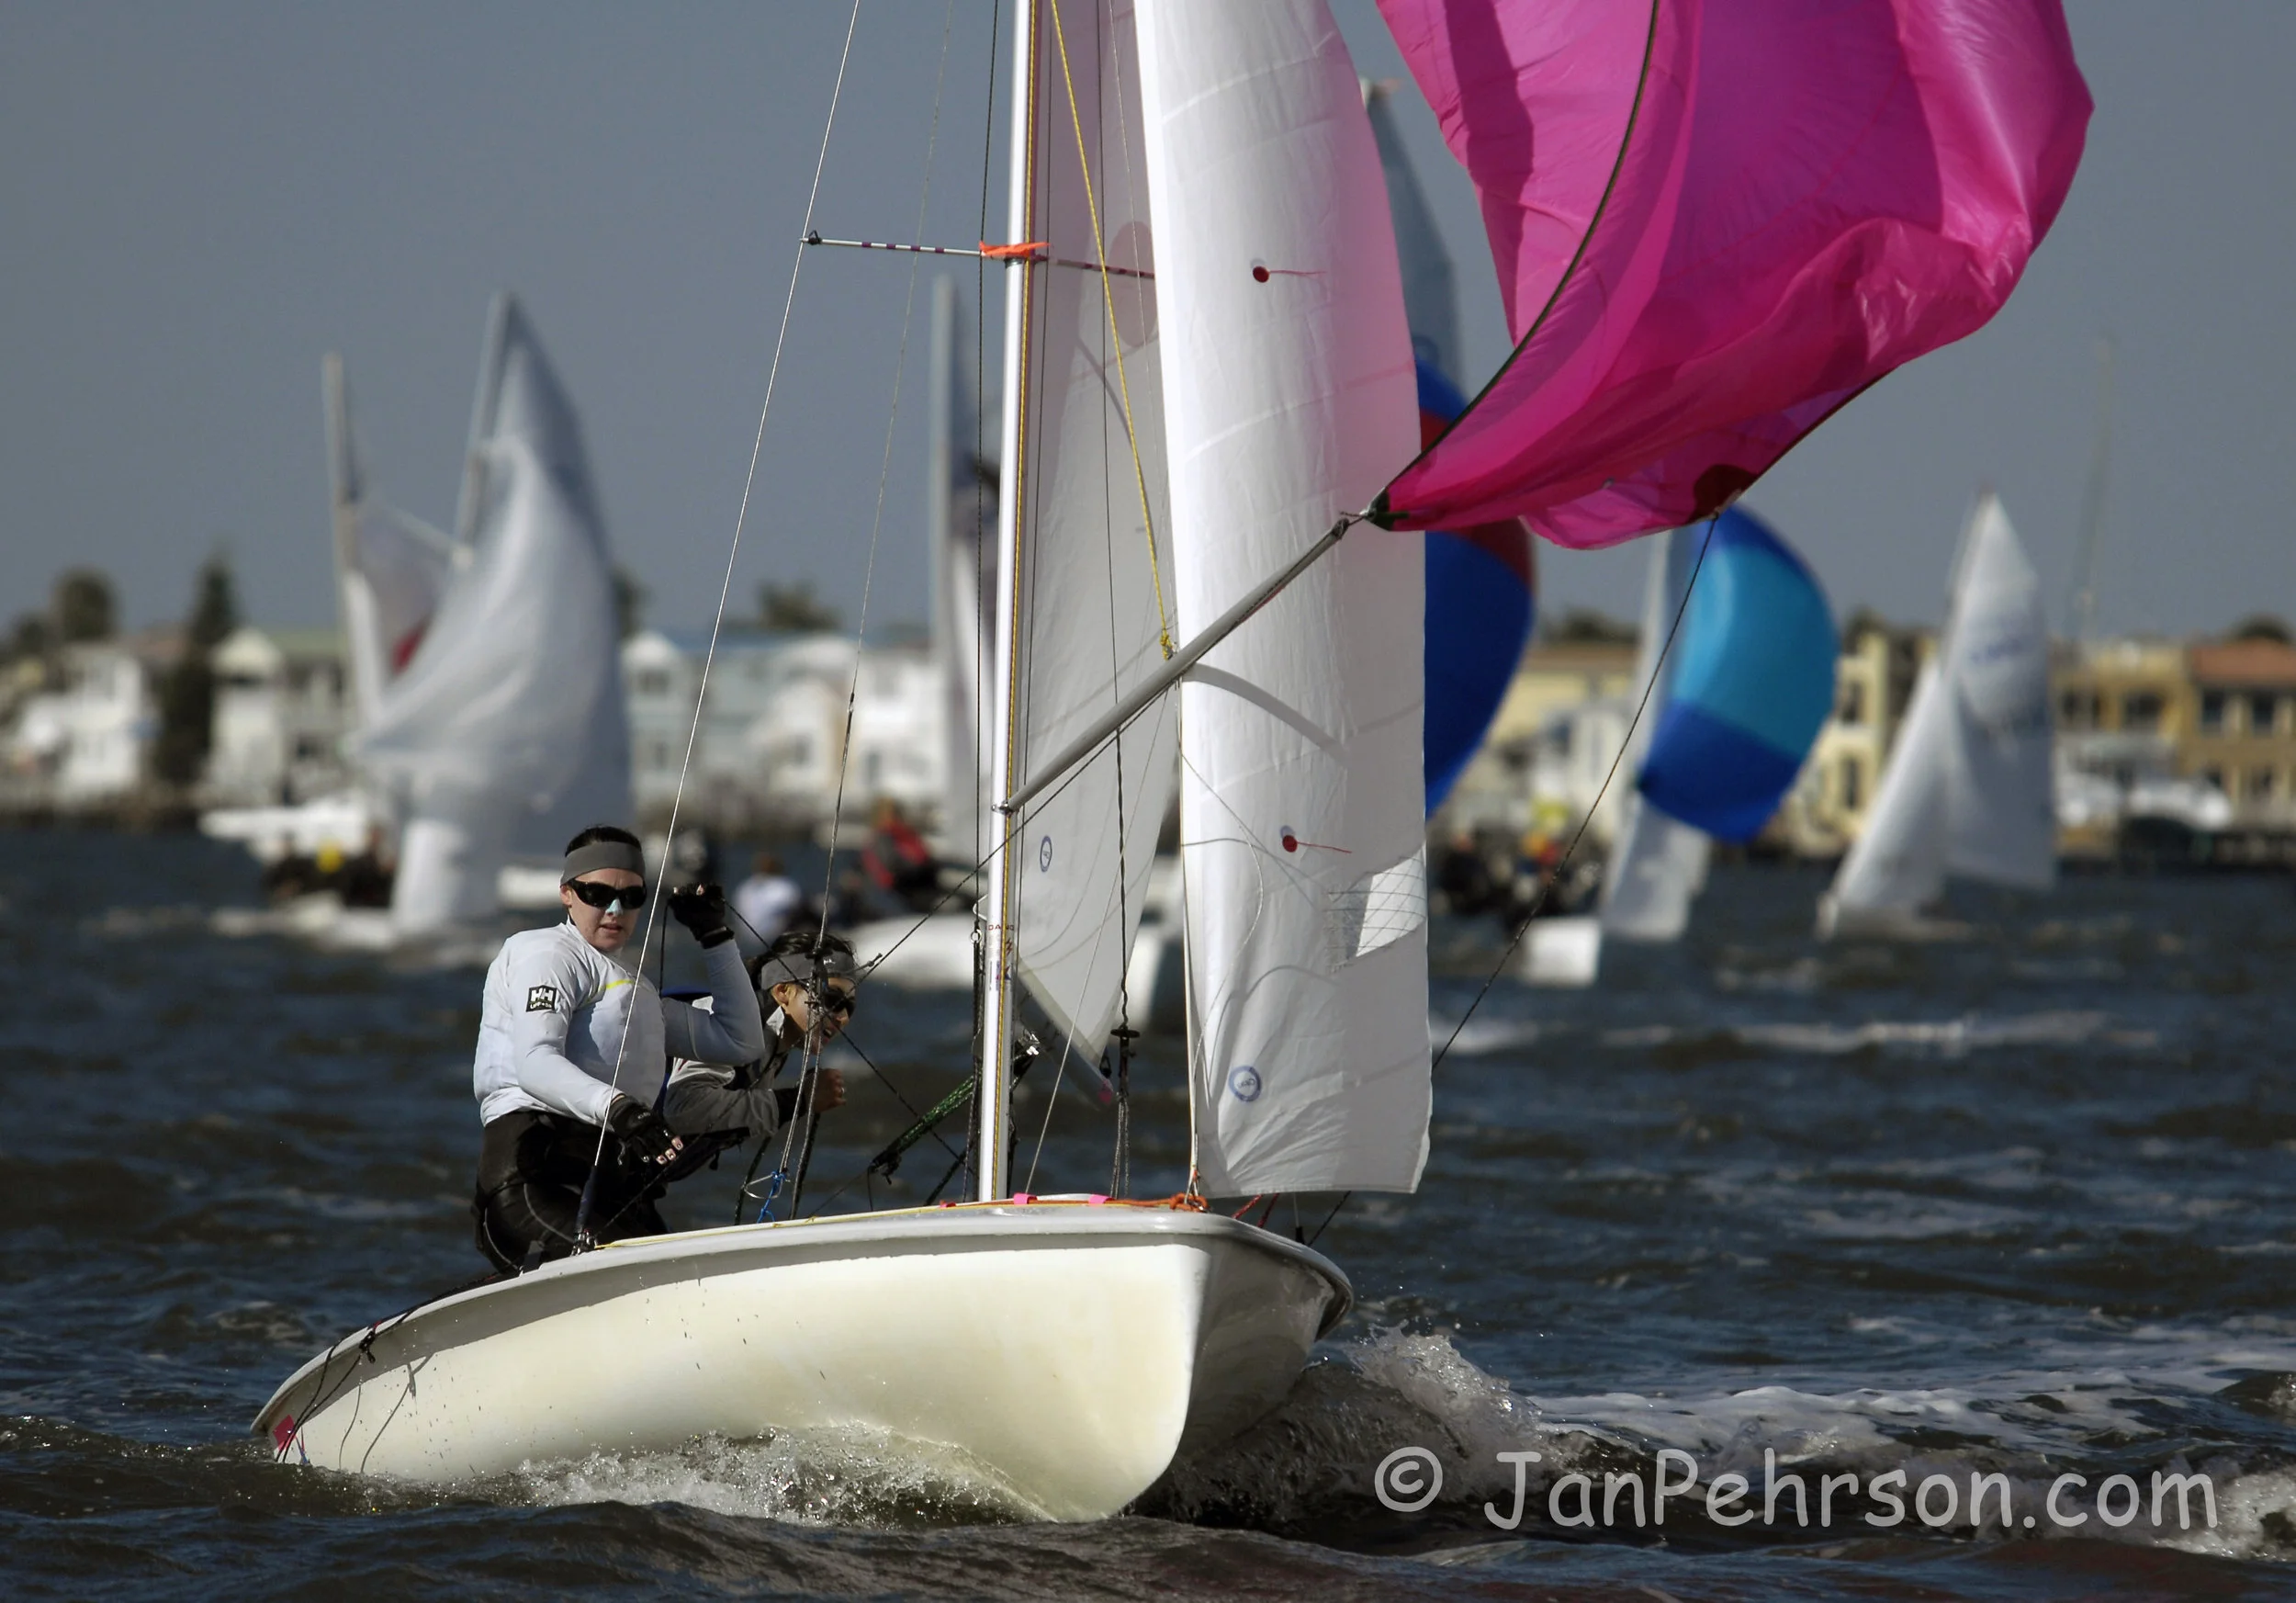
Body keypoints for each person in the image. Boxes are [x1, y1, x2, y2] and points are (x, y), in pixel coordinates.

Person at [469, 824, 767, 1273]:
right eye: (597, 893)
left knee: (686, 1280)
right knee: (643, 1275)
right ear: (567, 893)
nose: (614, 909)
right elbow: (534, 1062)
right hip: (531, 1179)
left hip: (612, 1186)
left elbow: (740, 1041)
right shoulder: (546, 953)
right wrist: (623, 1110)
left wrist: (715, 937)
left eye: (631, 897)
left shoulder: (634, 989)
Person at [660, 929, 857, 1153]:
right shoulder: (725, 1021)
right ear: (783, 991)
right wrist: (797, 1100)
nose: (843, 1018)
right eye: (833, 999)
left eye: (850, 1007)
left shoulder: (777, 1040)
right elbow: (681, 1110)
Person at [731, 850, 805, 951]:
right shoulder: (783, 885)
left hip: (747, 938)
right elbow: (797, 905)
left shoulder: (745, 887)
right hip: (772, 937)